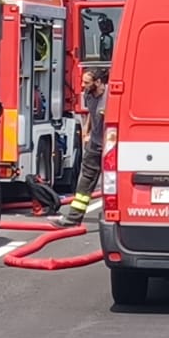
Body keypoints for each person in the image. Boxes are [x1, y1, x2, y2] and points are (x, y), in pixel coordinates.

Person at [54, 68, 108, 228]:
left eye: (86, 82)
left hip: (110, 146)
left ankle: (114, 218)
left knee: (113, 183)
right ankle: (73, 219)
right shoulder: (89, 95)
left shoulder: (111, 97)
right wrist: (87, 131)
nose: (83, 85)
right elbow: (92, 113)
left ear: (98, 82)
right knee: (84, 181)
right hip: (95, 144)